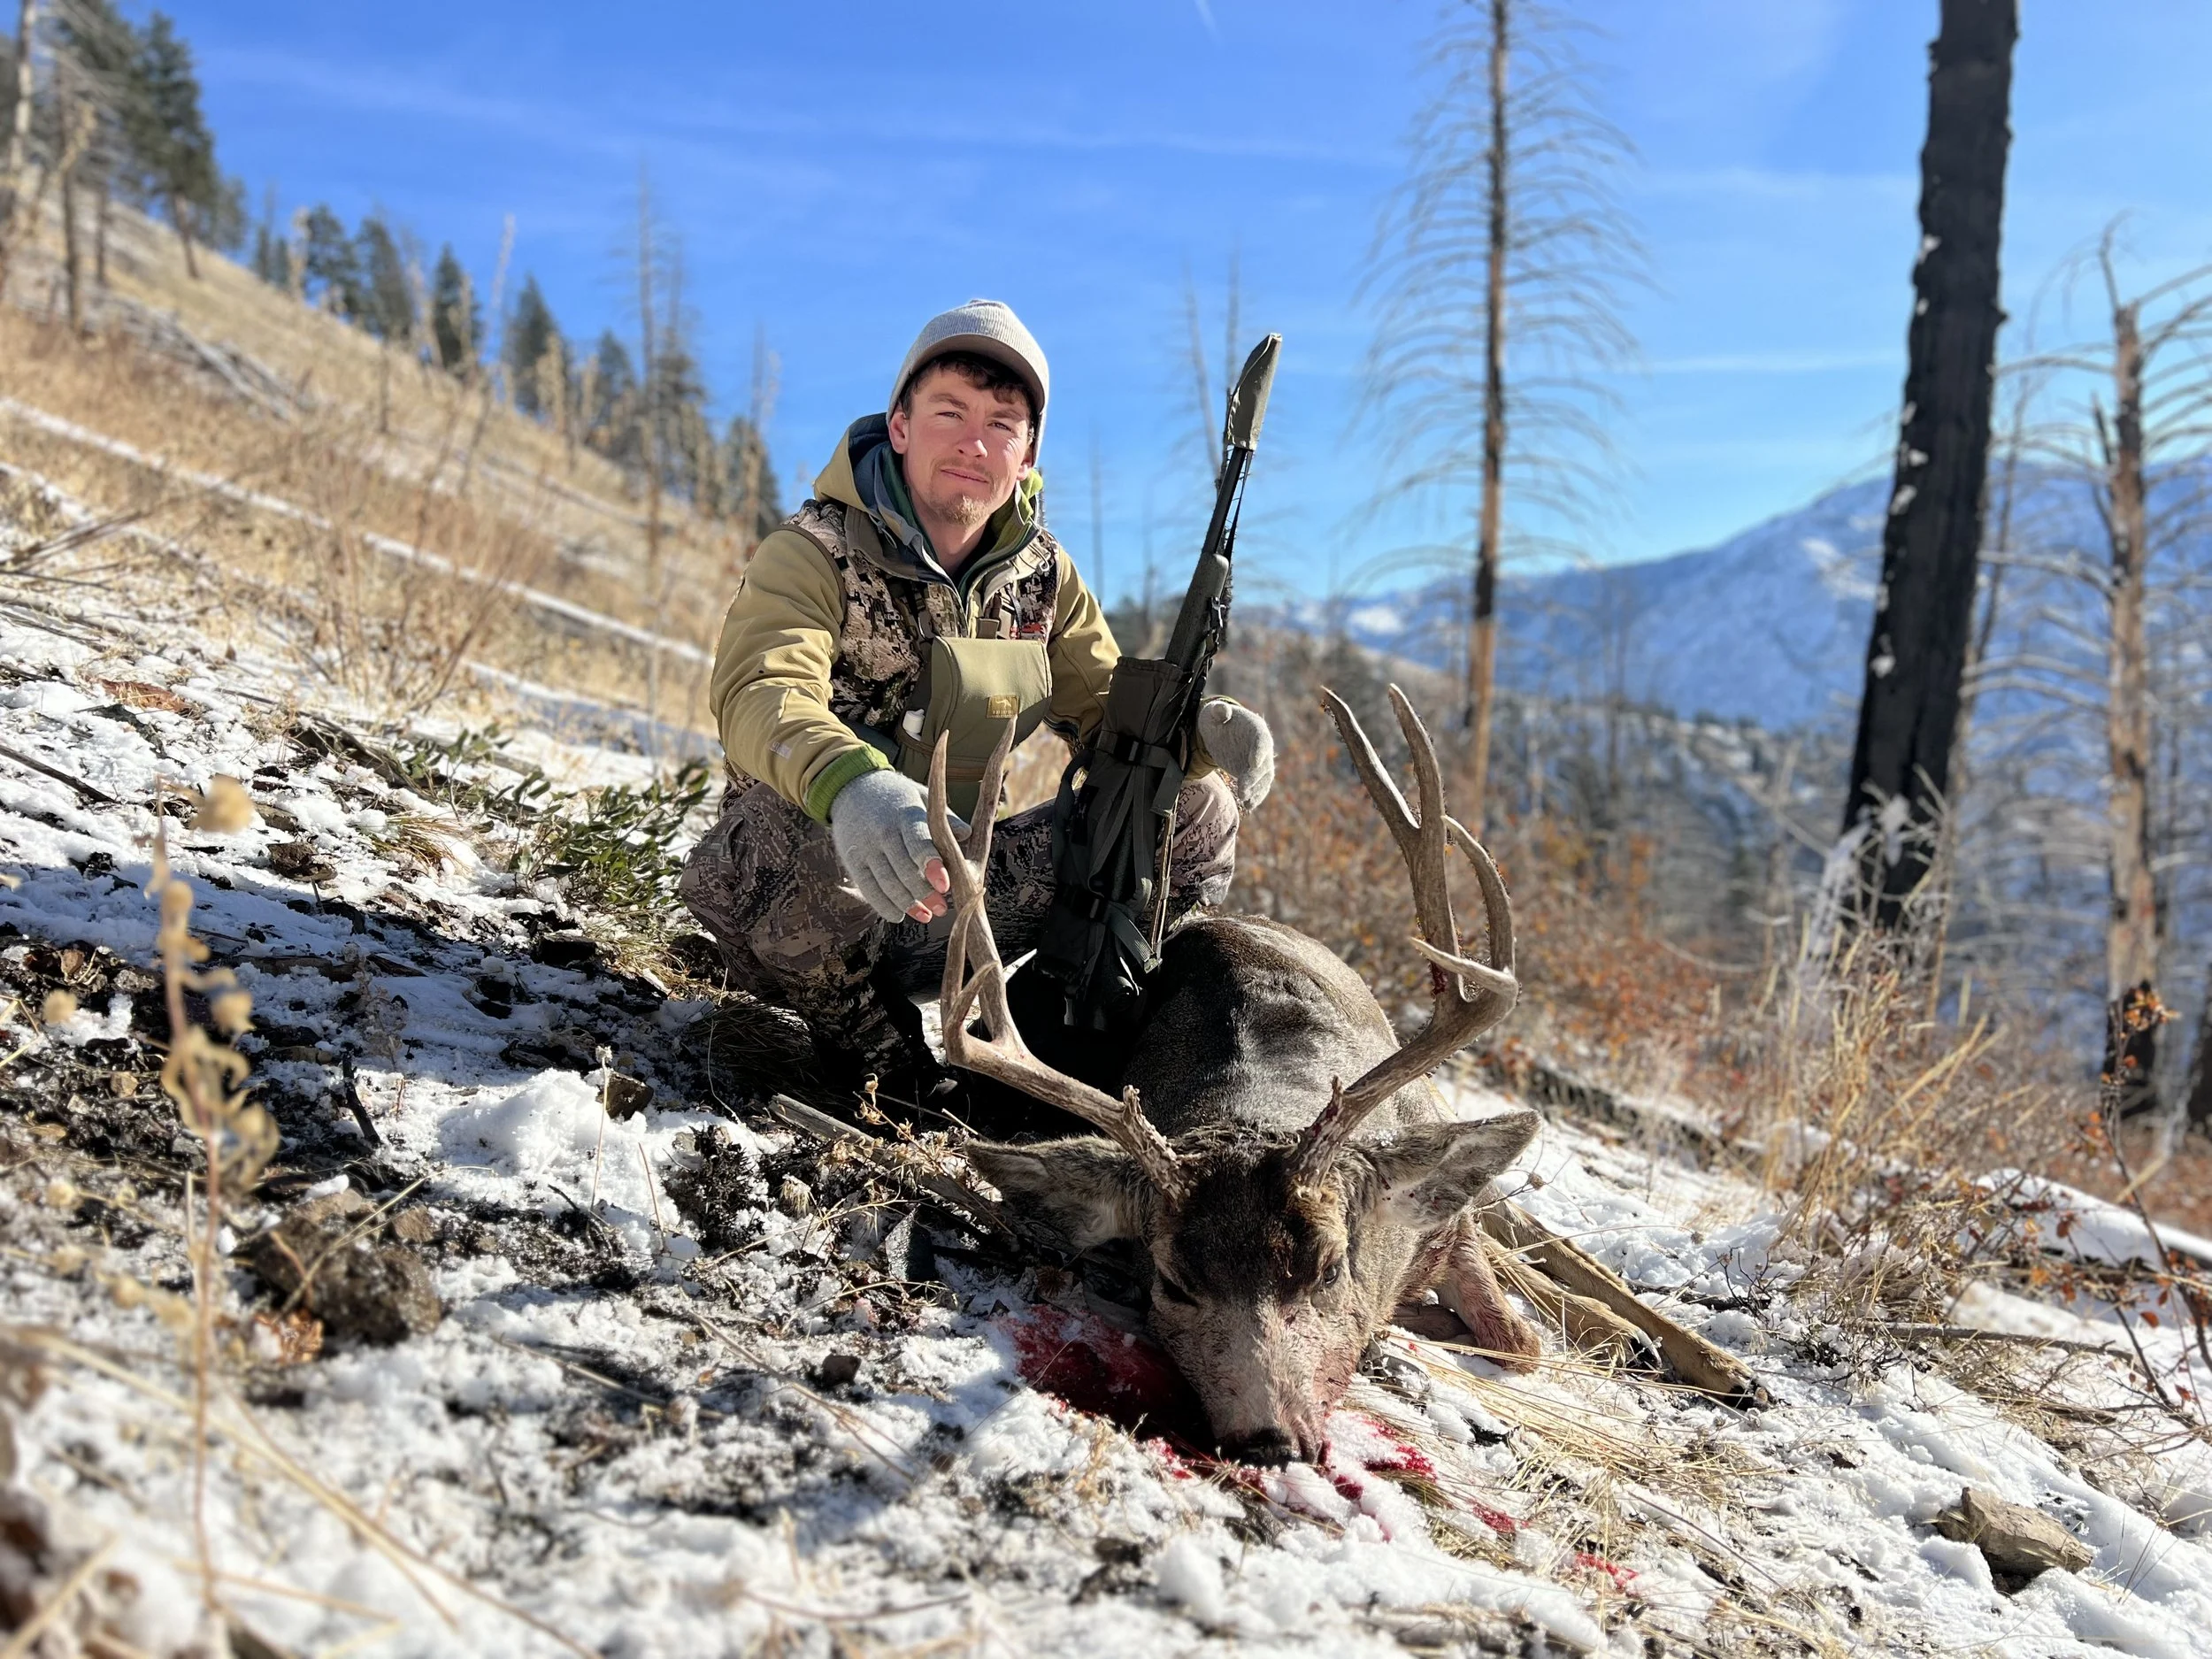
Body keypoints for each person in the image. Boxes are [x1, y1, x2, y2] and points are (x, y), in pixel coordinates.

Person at [680, 300, 1274, 1101]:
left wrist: (1196, 738)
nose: (975, 442)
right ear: (899, 427)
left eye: (1002, 424)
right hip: (806, 901)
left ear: (1027, 457)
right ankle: (892, 1079)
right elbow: (760, 691)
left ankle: (1055, 1035)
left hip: (953, 893)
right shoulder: (811, 551)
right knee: (788, 825)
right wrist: (852, 785)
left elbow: (1112, 722)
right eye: (949, 412)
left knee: (1189, 807)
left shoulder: (1045, 576)